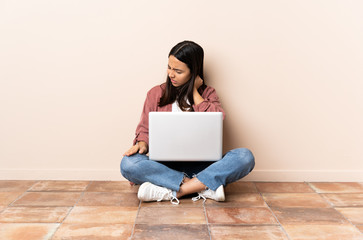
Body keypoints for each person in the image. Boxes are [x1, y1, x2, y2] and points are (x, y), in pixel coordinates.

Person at [120, 40, 255, 205]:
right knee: (128, 163)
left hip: (203, 166)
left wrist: (194, 92)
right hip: (164, 167)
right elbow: (145, 130)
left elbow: (218, 118)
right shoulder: (156, 93)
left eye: (178, 71)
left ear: (194, 72)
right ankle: (202, 187)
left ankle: (173, 191)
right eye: (169, 67)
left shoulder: (208, 93)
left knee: (245, 156)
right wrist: (142, 143)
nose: (171, 74)